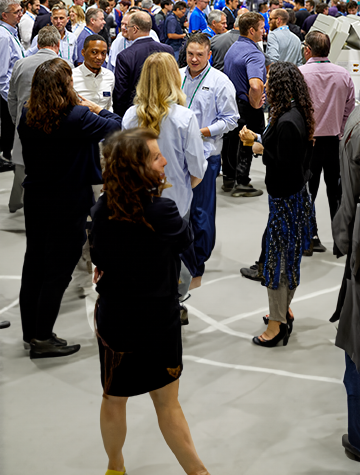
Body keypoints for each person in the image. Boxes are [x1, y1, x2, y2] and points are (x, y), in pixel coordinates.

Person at [90, 127, 210, 475]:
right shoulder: (164, 212)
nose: (164, 161)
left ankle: (115, 466)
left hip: (116, 321)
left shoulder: (101, 212)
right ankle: (198, 472)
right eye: (156, 157)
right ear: (138, 169)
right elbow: (186, 240)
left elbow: (99, 256)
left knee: (114, 398)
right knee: (168, 404)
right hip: (159, 322)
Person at [18, 57, 122, 359]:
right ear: (67, 87)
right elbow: (116, 127)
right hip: (68, 200)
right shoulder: (76, 117)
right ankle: (42, 337)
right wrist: (92, 106)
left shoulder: (27, 114)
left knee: (34, 264)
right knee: (59, 270)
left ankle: (31, 332)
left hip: (36, 197)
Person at [122, 52, 207, 316]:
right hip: (175, 201)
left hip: (139, 201)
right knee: (173, 256)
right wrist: (182, 188)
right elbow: (197, 167)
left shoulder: (129, 116)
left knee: (142, 255)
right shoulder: (185, 117)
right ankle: (174, 303)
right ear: (174, 78)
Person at [241, 61, 314, 347]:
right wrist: (260, 139)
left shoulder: (285, 122)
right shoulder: (296, 114)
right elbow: (287, 151)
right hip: (295, 198)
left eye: (270, 81)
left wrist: (258, 147)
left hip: (284, 202)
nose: (266, 86)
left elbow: (281, 161)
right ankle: (284, 310)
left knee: (276, 265)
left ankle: (276, 324)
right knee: (289, 260)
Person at [180, 33, 239, 288]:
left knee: (201, 212)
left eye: (199, 55)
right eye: (190, 54)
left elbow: (231, 120)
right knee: (181, 209)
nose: (194, 59)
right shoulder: (177, 76)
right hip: (178, 154)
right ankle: (183, 259)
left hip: (206, 155)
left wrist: (201, 131)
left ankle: (198, 263)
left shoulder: (220, 82)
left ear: (209, 55)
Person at [300, 31, 355, 252]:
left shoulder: (300, 73)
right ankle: (341, 243)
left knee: (307, 191)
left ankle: (309, 239)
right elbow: (350, 110)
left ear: (307, 50)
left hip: (308, 143)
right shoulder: (343, 75)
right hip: (334, 142)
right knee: (337, 192)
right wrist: (339, 130)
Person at [331, 105, 360, 462]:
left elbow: (349, 197)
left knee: (355, 351)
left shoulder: (355, 126)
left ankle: (357, 436)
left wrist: (342, 239)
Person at [7, 25, 60, 213]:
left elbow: (11, 97)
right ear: (57, 43)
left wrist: (16, 119)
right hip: (53, 124)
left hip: (24, 120)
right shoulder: (62, 64)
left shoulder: (21, 63)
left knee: (22, 166)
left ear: (38, 44)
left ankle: (16, 203)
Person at [223, 12, 266, 197]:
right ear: (251, 30)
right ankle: (242, 182)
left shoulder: (233, 48)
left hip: (232, 104)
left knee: (232, 141)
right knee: (247, 141)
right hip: (247, 106)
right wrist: (256, 105)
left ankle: (229, 178)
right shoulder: (254, 54)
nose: (264, 32)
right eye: (261, 28)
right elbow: (256, 85)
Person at [112, 11, 174, 118]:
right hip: (165, 112)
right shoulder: (168, 50)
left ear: (135, 29)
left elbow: (120, 93)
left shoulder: (125, 56)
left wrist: (119, 118)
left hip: (136, 114)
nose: (126, 29)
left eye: (128, 27)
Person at [0, 0, 24, 169]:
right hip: (6, 94)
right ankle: (6, 157)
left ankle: (8, 155)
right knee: (8, 128)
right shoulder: (3, 36)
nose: (20, 14)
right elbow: (2, 74)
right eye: (16, 12)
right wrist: (10, 99)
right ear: (4, 15)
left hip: (12, 91)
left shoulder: (11, 32)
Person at [73, 34, 114, 110]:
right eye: (94, 52)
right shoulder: (72, 77)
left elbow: (109, 106)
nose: (99, 57)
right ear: (83, 52)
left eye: (103, 53)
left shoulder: (109, 76)